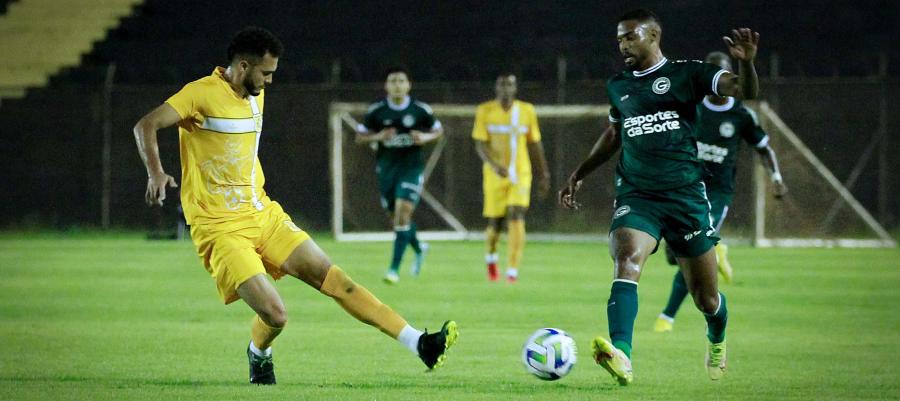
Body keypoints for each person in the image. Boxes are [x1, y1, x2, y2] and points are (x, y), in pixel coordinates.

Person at [132, 27, 457, 385]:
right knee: (276, 315)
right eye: (266, 73)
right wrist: (156, 172)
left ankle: (419, 343)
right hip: (220, 228)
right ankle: (259, 353)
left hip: (262, 214)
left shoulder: (254, 94)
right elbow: (146, 125)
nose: (270, 80)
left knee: (337, 281)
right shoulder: (199, 94)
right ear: (243, 66)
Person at [558, 9, 761, 384]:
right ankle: (622, 354)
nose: (623, 45)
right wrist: (579, 173)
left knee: (706, 300)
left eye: (630, 36)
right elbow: (614, 134)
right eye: (619, 39)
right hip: (638, 194)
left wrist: (746, 64)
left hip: (685, 197)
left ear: (653, 35)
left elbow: (743, 91)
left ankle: (717, 337)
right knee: (626, 259)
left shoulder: (688, 74)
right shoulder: (618, 85)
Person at [654, 51, 787, 333]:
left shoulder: (741, 114)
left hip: (717, 193)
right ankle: (717, 250)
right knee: (673, 255)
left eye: (723, 74)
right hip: (685, 188)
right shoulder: (691, 106)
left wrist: (776, 177)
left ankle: (667, 317)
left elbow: (764, 149)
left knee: (693, 247)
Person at [352, 67, 443, 284]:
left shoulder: (420, 110)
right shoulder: (377, 111)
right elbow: (359, 137)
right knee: (397, 220)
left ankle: (393, 270)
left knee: (402, 213)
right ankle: (419, 248)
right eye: (393, 81)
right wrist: (379, 136)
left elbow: (438, 131)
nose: (397, 85)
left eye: (401, 81)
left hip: (411, 170)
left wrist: (425, 137)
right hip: (387, 171)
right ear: (386, 86)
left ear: (408, 85)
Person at [472, 72, 550, 282]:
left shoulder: (526, 111)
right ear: (496, 87)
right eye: (502, 84)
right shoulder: (485, 110)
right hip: (494, 174)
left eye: (509, 85)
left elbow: (535, 143)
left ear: (515, 88)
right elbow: (480, 144)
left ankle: (512, 270)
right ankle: (491, 257)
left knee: (516, 213)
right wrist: (494, 165)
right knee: (496, 222)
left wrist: (544, 174)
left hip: (520, 173)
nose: (505, 88)